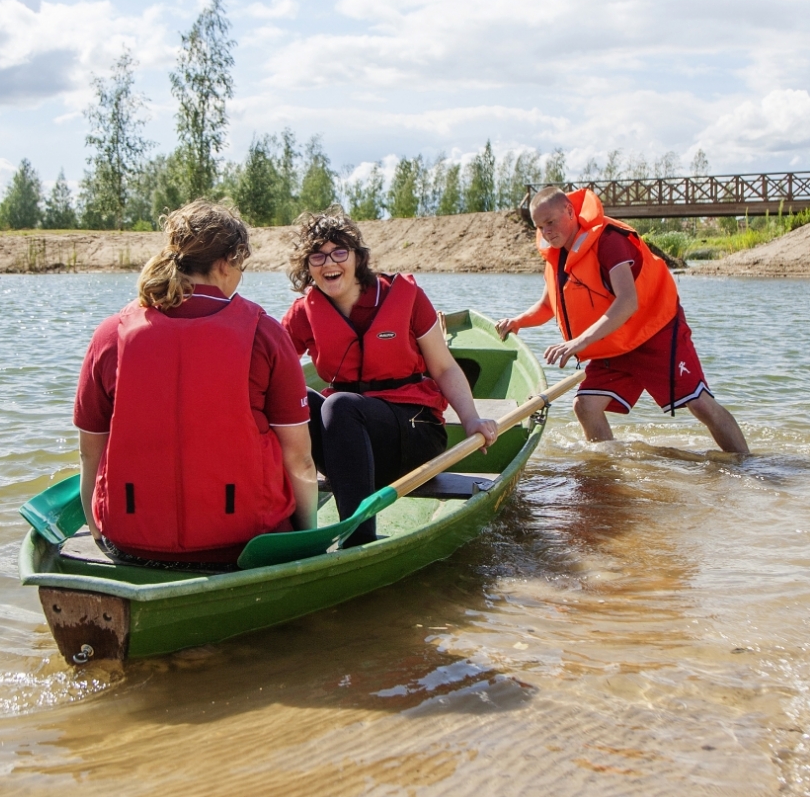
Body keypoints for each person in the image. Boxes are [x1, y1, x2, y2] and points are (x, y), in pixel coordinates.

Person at [73, 201, 318, 566]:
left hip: (129, 542)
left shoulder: (110, 335)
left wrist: (98, 531)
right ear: (225, 263)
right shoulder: (264, 334)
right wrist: (307, 537)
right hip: (245, 541)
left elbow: (89, 453)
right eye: (241, 266)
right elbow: (300, 460)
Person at [281, 210, 498, 547]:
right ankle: (292, 530)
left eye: (339, 252)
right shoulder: (303, 312)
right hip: (346, 445)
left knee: (339, 406)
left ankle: (358, 541)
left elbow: (444, 368)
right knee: (299, 401)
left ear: (358, 258)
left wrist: (471, 419)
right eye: (317, 256)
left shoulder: (405, 296)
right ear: (307, 266)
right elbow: (269, 372)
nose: (329, 263)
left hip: (415, 433)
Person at [495, 186, 750, 456]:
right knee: (586, 406)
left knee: (699, 404)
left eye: (550, 222)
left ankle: (748, 464)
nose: (546, 232)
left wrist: (578, 342)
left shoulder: (609, 240)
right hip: (615, 342)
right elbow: (548, 305)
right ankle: (608, 472)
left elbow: (628, 302)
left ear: (569, 211)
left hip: (654, 333)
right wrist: (518, 321)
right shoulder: (557, 256)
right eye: (540, 226)